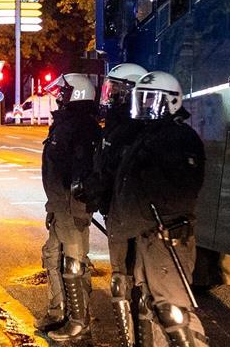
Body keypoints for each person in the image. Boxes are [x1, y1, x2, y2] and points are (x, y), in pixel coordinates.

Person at [109, 71, 207, 347]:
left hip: (166, 233)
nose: (145, 106)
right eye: (142, 99)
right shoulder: (147, 135)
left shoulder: (178, 137)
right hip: (146, 231)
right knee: (154, 306)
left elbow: (185, 185)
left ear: (171, 102)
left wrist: (168, 217)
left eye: (152, 100)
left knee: (173, 311)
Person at [77, 63, 147, 347]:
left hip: (138, 218)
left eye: (116, 90)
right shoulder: (114, 128)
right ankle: (128, 339)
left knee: (142, 282)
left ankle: (145, 338)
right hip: (115, 214)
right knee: (120, 280)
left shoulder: (141, 129)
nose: (110, 96)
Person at [37, 73, 102, 342]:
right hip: (59, 205)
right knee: (52, 255)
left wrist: (76, 199)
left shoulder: (83, 127)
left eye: (64, 92)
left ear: (76, 94)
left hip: (72, 207)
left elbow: (83, 170)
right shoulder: (65, 123)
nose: (60, 96)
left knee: (74, 263)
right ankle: (58, 311)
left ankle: (79, 321)